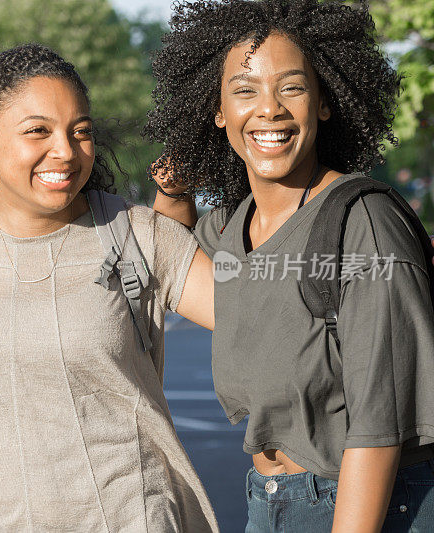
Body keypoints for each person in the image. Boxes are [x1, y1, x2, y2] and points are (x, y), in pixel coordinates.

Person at [0, 43, 218, 532]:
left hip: (129, 515)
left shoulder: (138, 235)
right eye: (37, 131)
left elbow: (255, 320)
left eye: (79, 132)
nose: (64, 150)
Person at [144, 1, 434, 531]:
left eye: (292, 87)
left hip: (364, 504)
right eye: (245, 90)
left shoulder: (362, 221)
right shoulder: (235, 225)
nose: (269, 109)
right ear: (218, 110)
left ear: (324, 102)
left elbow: (380, 426)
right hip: (270, 501)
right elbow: (171, 261)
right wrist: (176, 192)